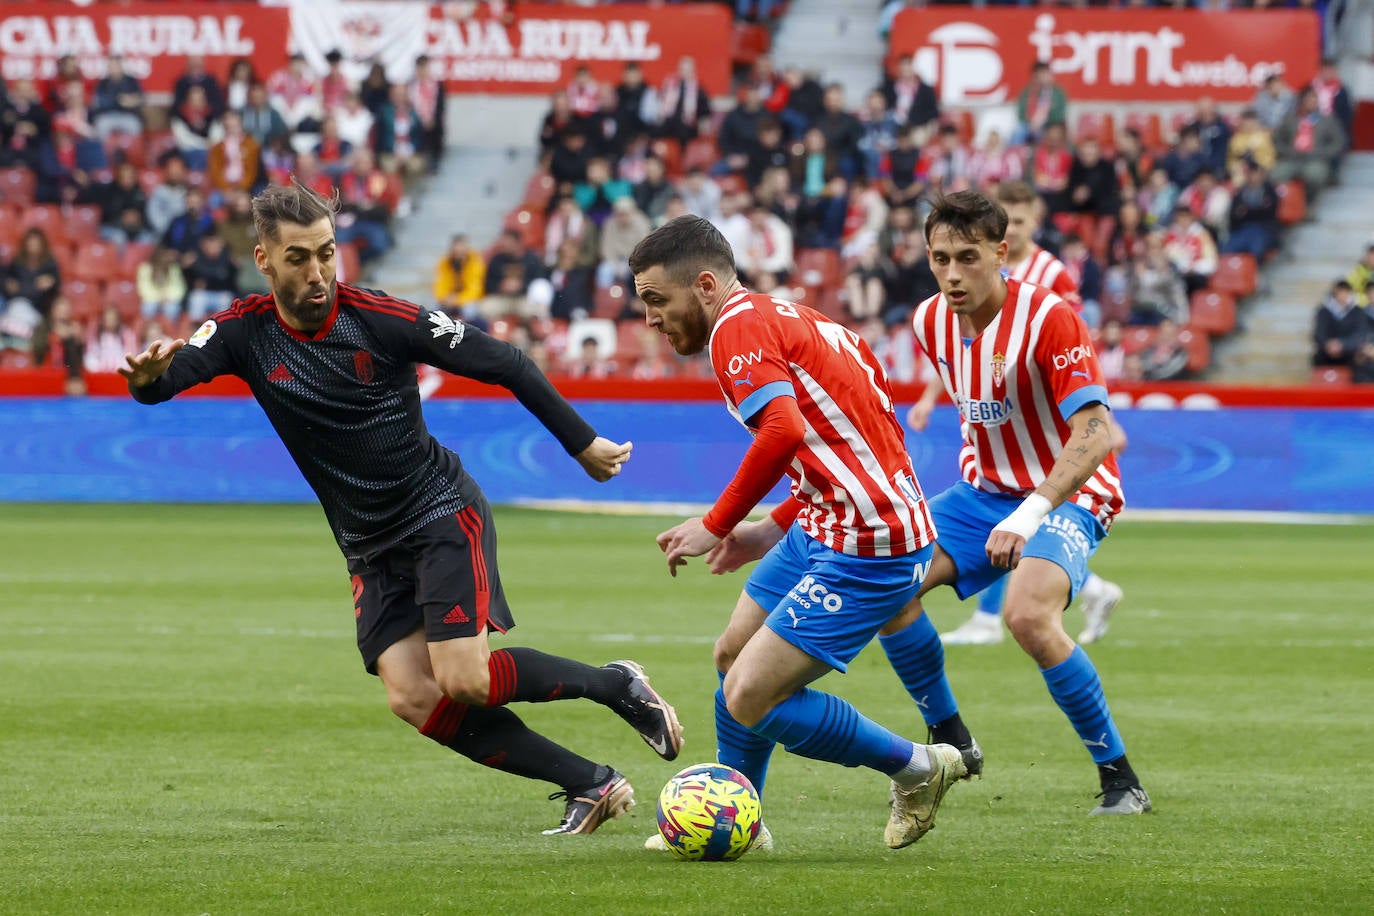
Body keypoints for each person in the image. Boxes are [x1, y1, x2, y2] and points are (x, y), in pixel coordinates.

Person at [119, 181, 681, 836]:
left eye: (328, 253)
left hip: (438, 511)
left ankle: (614, 685)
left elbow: (506, 362)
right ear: (264, 259)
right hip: (368, 544)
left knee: (463, 680)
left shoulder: (380, 319)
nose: (319, 271)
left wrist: (581, 443)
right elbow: (172, 375)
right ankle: (591, 783)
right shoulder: (246, 332)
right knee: (413, 695)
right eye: (299, 257)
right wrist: (149, 381)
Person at [631, 215, 974, 852]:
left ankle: (921, 767)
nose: (649, 317)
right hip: (827, 522)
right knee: (731, 656)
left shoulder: (736, 333)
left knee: (750, 695)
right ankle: (741, 819)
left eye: (656, 299)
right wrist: (769, 528)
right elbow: (851, 438)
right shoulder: (792, 317)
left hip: (868, 542)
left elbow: (784, 433)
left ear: (704, 285)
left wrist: (717, 524)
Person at [881, 190, 1150, 816]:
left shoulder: (1050, 316)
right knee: (886, 584)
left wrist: (1030, 513)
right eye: (939, 258)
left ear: (1001, 253)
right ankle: (952, 740)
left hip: (1069, 494)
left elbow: (1095, 430)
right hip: (980, 494)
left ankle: (1119, 777)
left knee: (1028, 618)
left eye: (967, 257)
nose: (952, 273)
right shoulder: (928, 321)